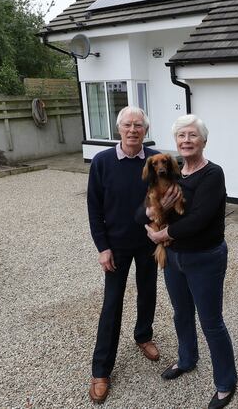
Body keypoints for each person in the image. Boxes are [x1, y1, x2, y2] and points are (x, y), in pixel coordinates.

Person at [143, 114, 238, 409]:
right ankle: (187, 359)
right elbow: (146, 208)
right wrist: (152, 215)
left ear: (203, 141)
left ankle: (225, 383)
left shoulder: (213, 174)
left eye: (192, 135)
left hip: (205, 258)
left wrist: (162, 234)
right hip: (174, 258)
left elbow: (199, 219)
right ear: (176, 143)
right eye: (181, 136)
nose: (186, 140)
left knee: (211, 322)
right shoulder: (173, 174)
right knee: (181, 314)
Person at [86, 106, 162, 404]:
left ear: (145, 129)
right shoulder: (103, 162)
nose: (133, 130)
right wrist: (102, 247)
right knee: (112, 304)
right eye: (128, 125)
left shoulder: (156, 161)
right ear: (119, 129)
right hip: (115, 247)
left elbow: (169, 194)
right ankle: (101, 369)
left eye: (139, 125)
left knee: (148, 293)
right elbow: (94, 208)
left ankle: (143, 335)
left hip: (147, 242)